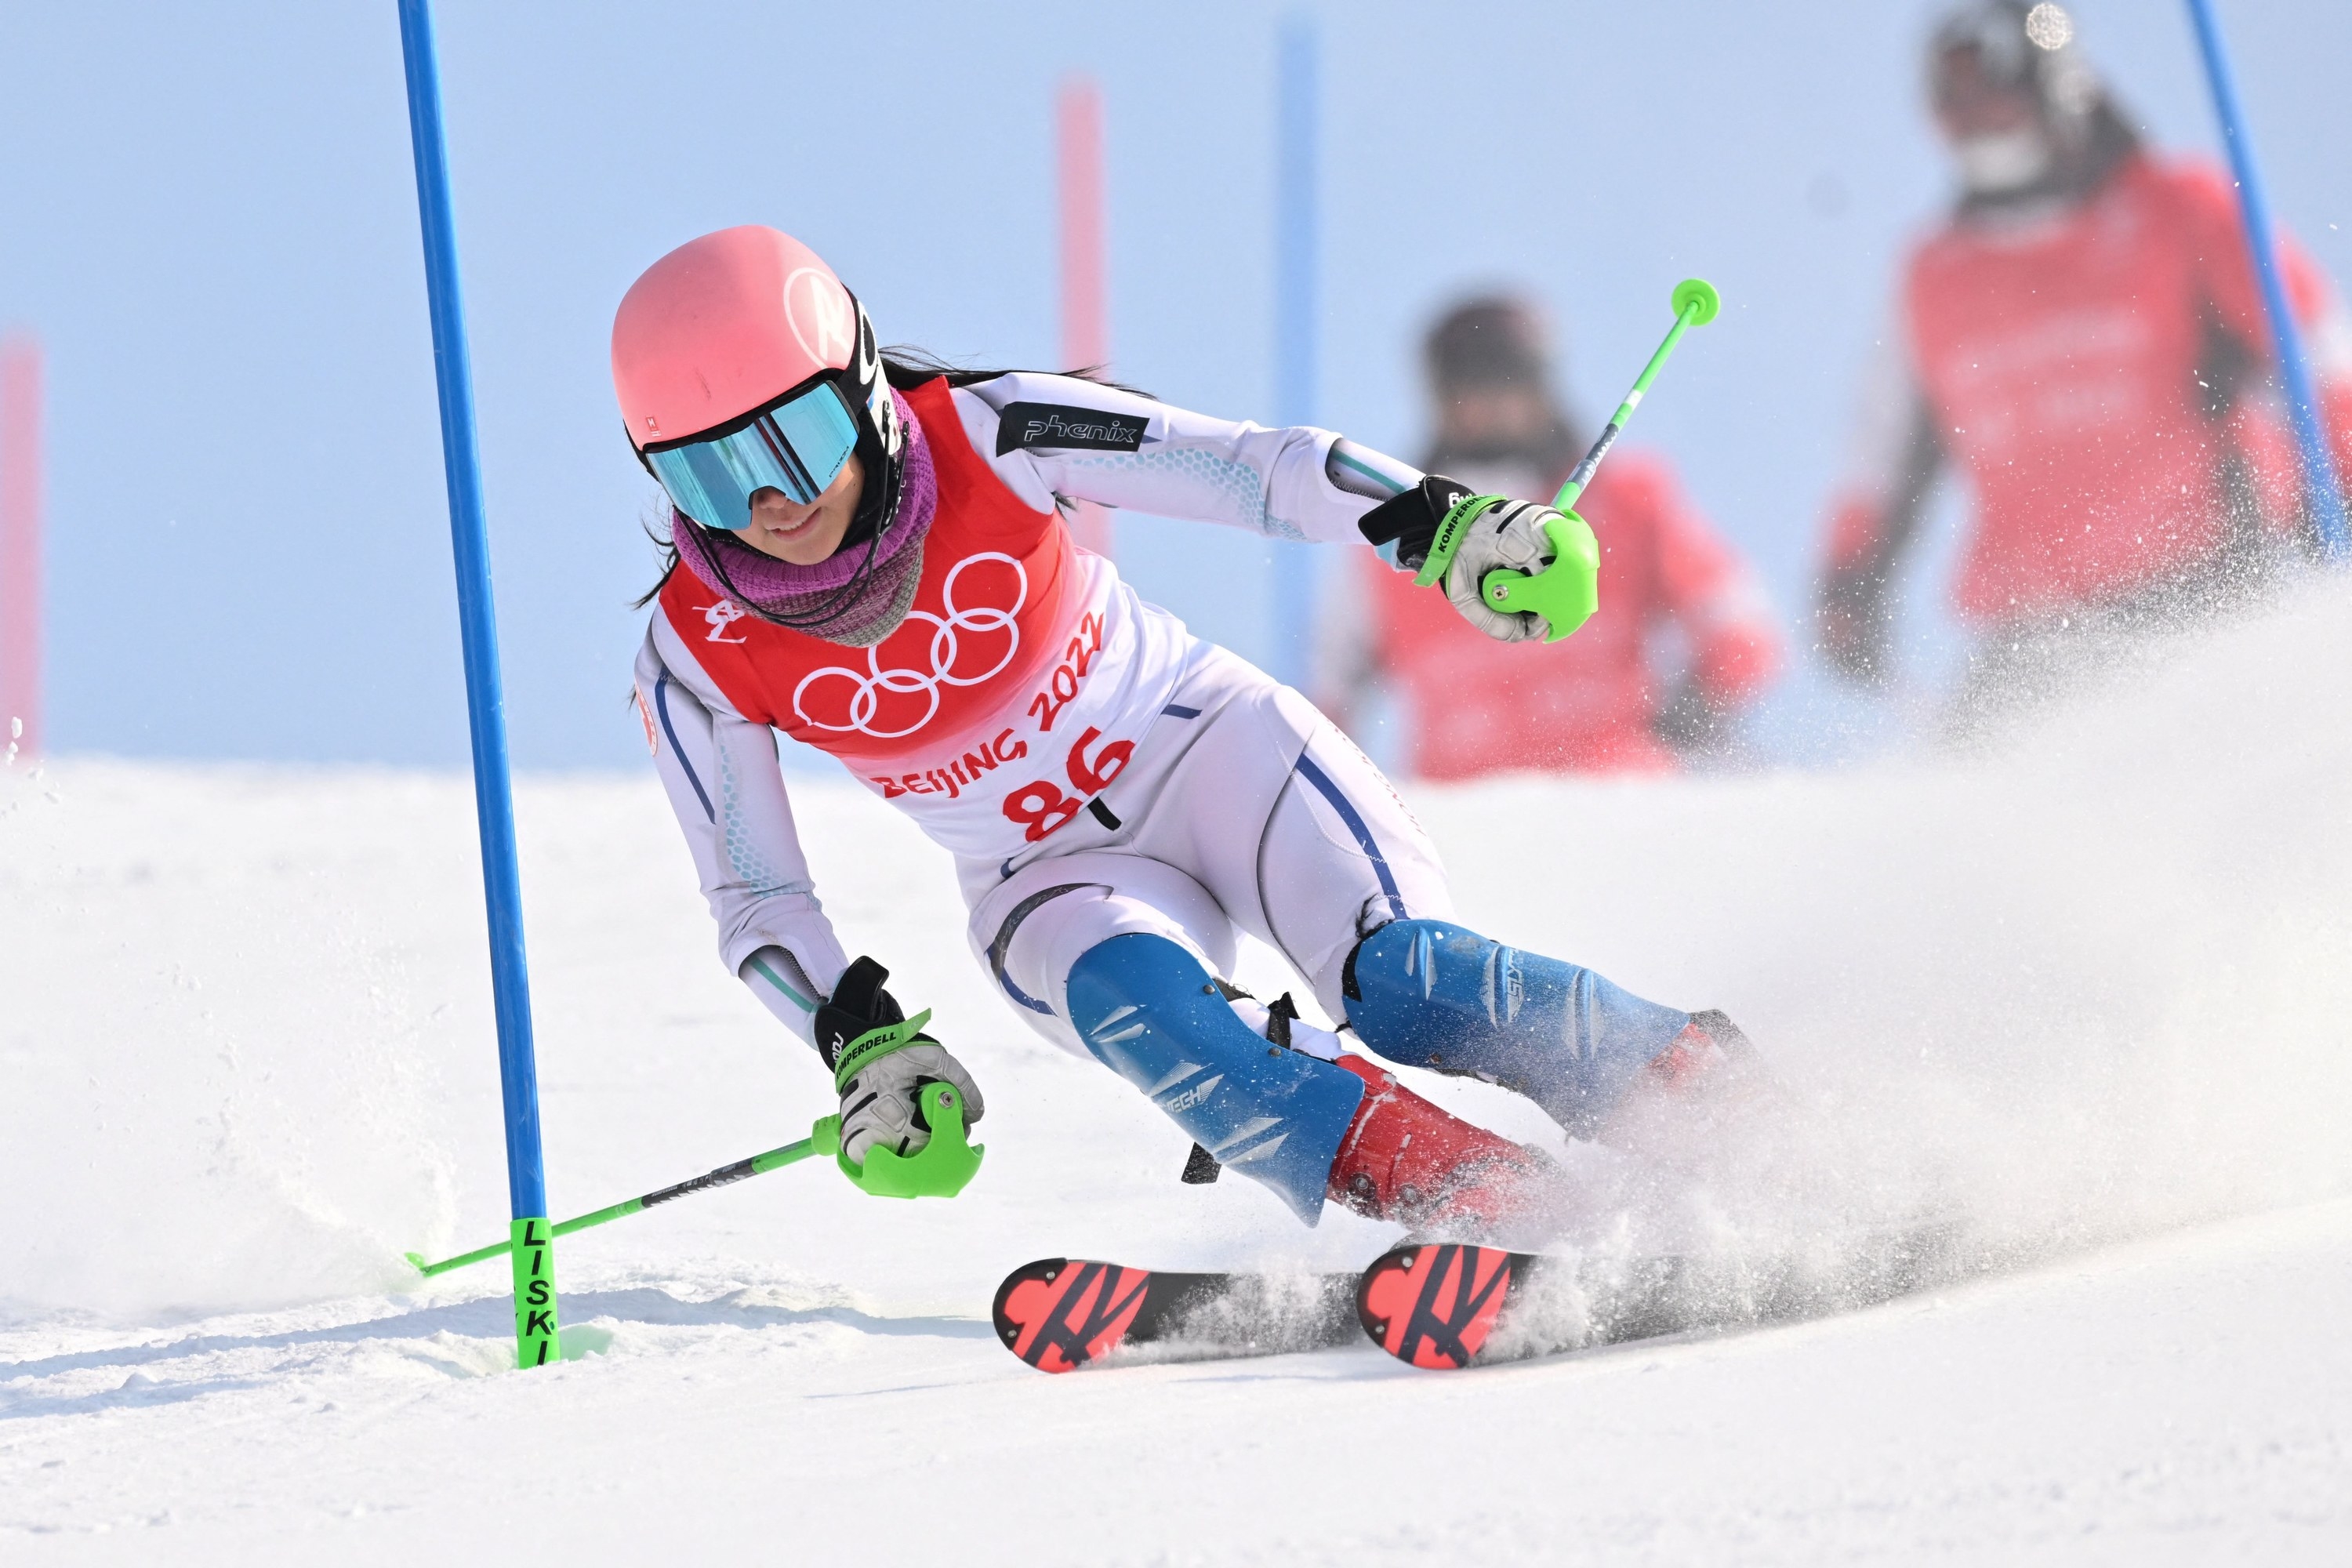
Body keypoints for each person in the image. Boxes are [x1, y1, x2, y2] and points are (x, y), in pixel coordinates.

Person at [615, 226, 1756, 1242]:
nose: (770, 503)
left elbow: (1254, 470)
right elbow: (759, 900)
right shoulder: (694, 652)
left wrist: (1444, 527)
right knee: (1157, 1023)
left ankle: (1717, 1107)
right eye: (710, 472)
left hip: (1214, 752)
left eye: (797, 440)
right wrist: (863, 1043)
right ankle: (1505, 1219)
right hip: (1046, 877)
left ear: (860, 385)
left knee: (1406, 979)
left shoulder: (994, 429)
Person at [1817, 0, 2352, 716]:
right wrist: (1852, 578)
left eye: (1994, 93)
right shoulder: (1934, 274)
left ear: (2052, 86)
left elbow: (2316, 354)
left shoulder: (2176, 208)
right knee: (1973, 817)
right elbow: (1881, 450)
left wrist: (2341, 475)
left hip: (2204, 589)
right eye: (1957, 102)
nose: (1978, 121)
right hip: (2030, 627)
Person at [1317, 296, 1780, 779]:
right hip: (1465, 823)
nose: (1493, 404)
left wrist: (1688, 715)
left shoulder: (1624, 501)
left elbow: (1738, 621)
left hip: (1621, 799)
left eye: (1510, 380)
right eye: (1470, 385)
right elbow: (1326, 701)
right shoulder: (1391, 542)